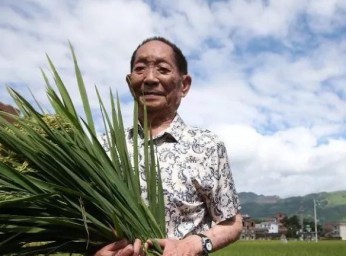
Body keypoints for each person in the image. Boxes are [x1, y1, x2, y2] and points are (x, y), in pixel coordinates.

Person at [95, 37, 242, 256]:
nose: (150, 78)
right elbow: (85, 221)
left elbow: (232, 223)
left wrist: (193, 245)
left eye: (163, 69)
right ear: (129, 82)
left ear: (184, 85)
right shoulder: (105, 146)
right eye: (140, 69)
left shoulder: (207, 146)